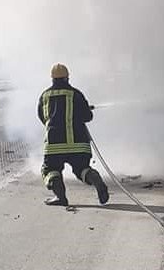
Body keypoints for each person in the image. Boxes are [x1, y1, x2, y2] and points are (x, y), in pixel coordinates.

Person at [38, 63, 110, 207]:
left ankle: (60, 197)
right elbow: (87, 116)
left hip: (54, 146)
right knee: (82, 168)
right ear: (67, 78)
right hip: (79, 143)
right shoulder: (76, 94)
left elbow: (42, 117)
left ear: (52, 78)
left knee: (51, 170)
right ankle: (94, 178)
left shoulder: (45, 96)